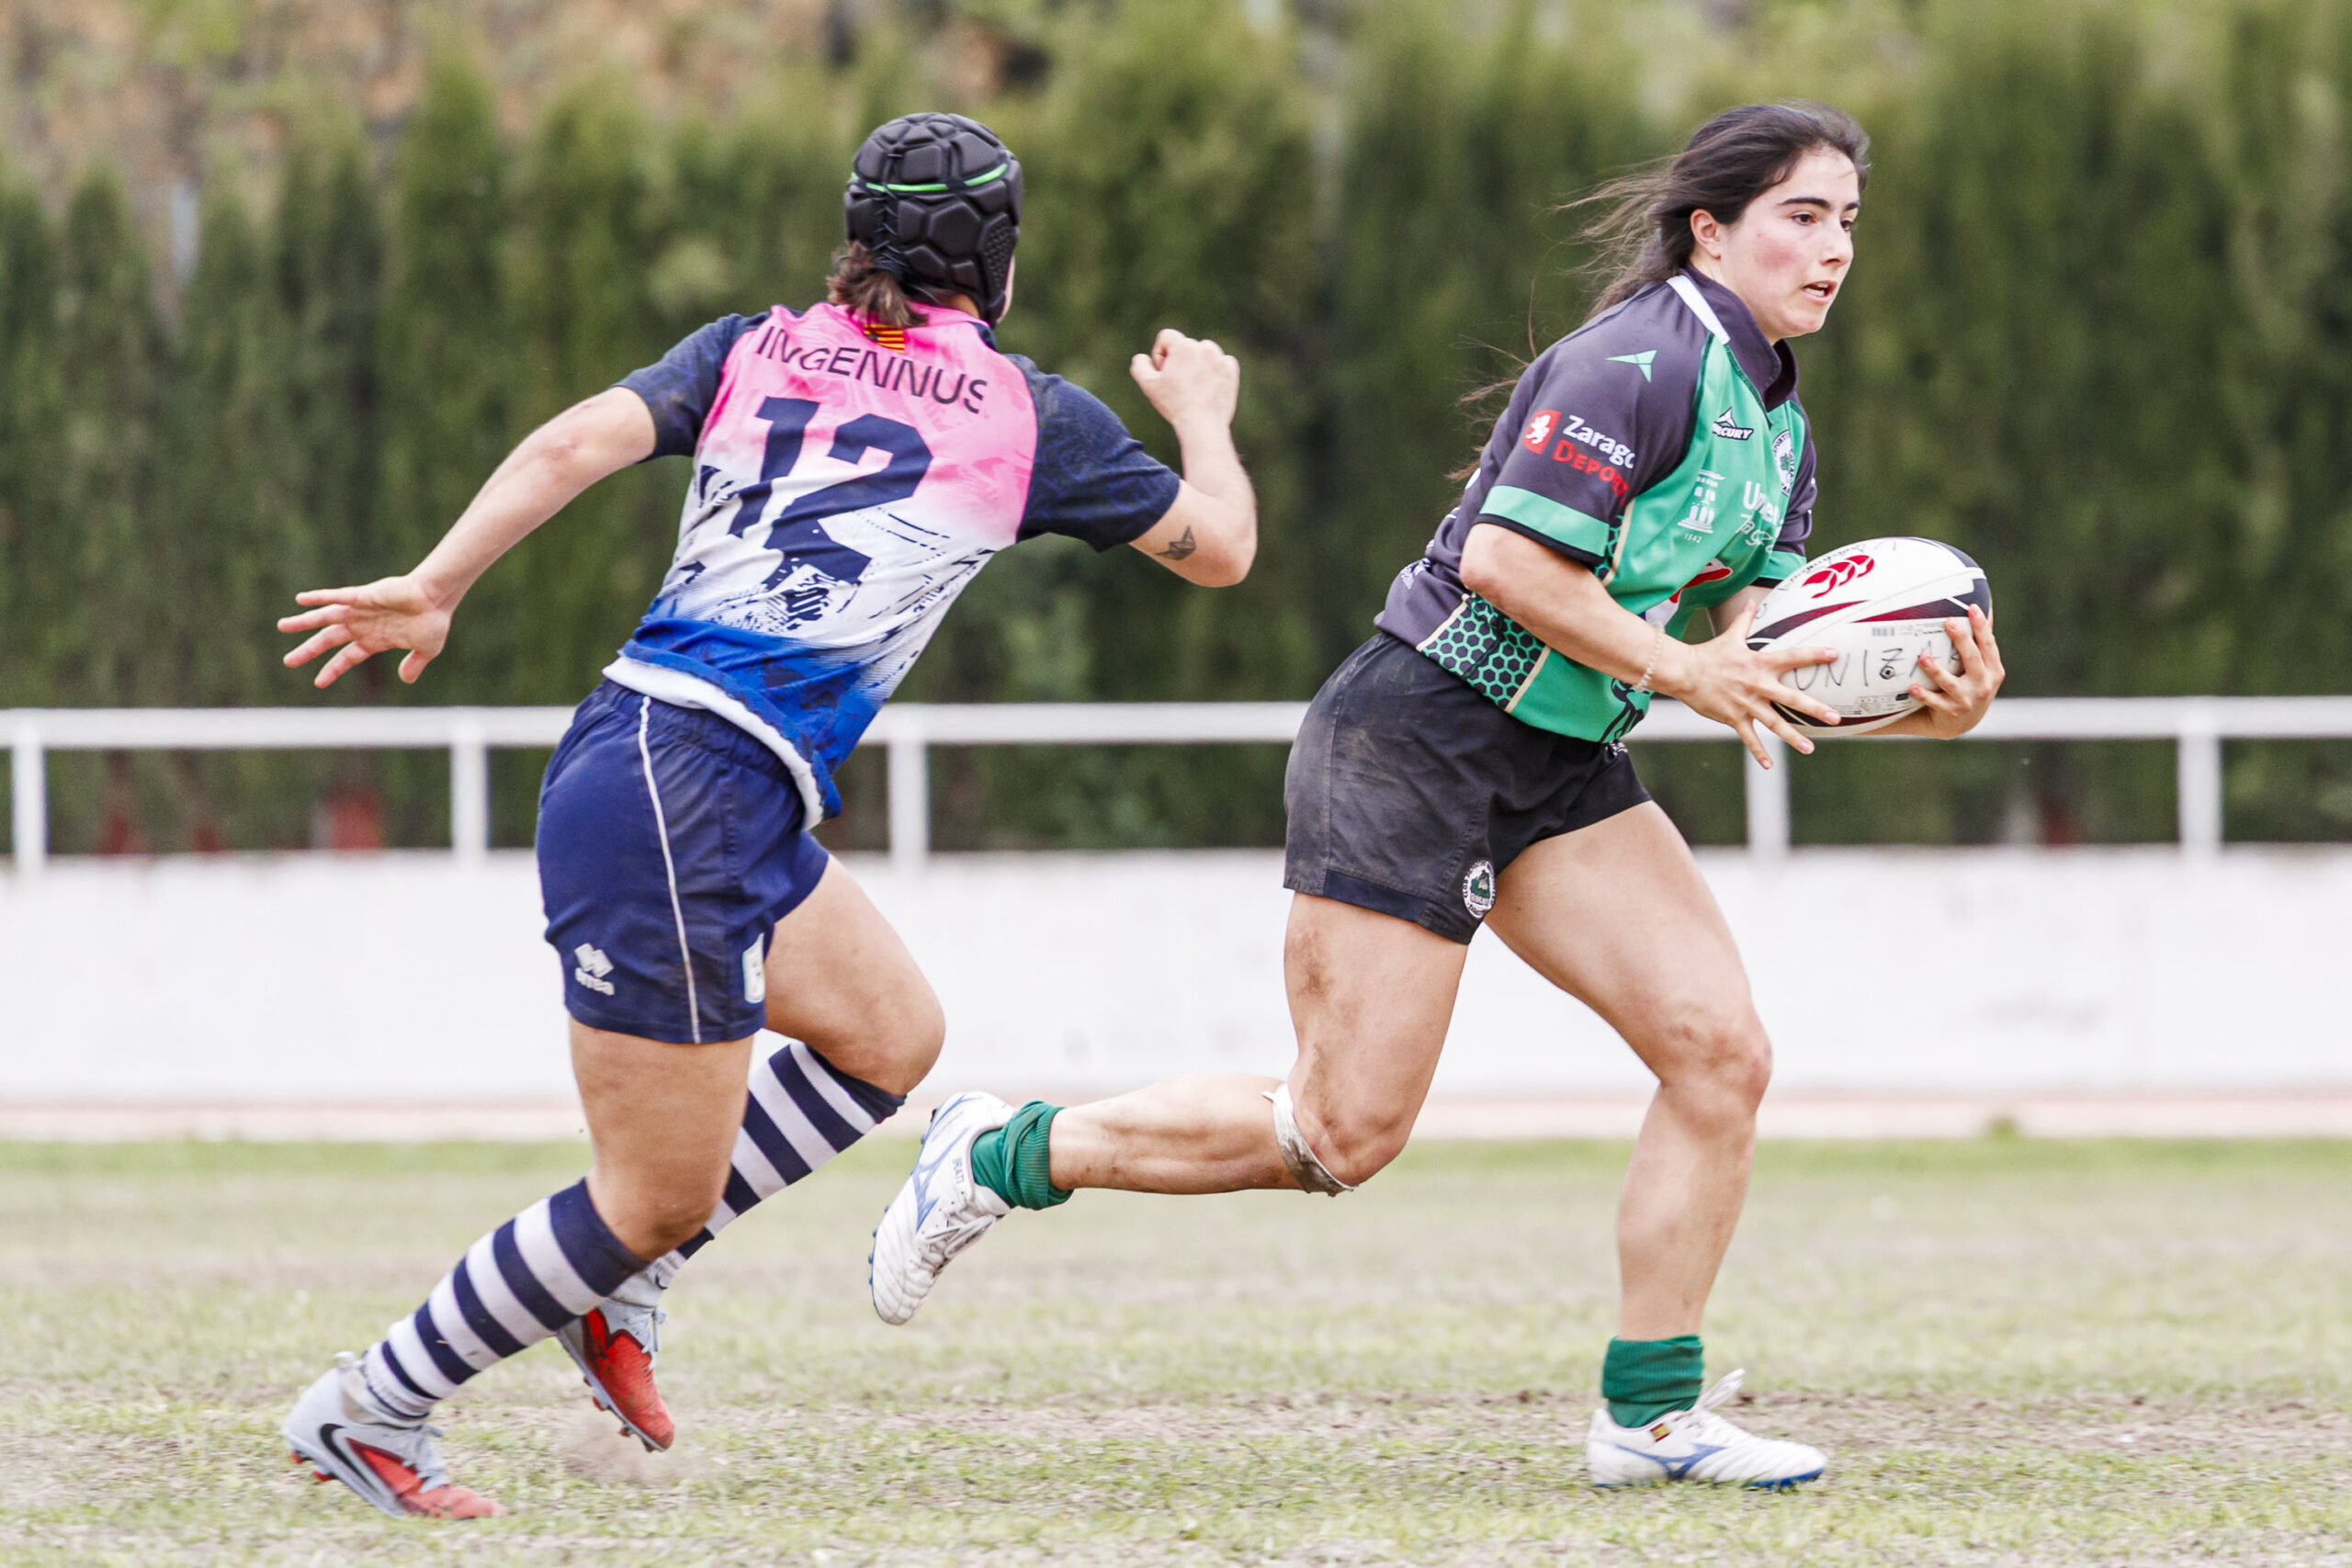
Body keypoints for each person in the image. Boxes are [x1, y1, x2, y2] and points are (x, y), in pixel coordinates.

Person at [867, 101, 2003, 1491]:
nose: (1833, 251)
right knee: (1337, 1135)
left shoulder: (1777, 424)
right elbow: (1510, 566)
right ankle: (1006, 1148)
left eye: (1847, 225)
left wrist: (1921, 703)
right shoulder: (1635, 361)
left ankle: (1649, 1419)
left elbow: (1757, 647)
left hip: (1559, 765)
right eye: (1802, 216)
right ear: (1711, 229)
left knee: (1721, 1053)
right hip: (1417, 734)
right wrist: (1680, 671)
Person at [274, 112, 1257, 1519]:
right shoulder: (1030, 417)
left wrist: (437, 582)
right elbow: (1222, 550)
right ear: (1002, 260)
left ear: (855, 238)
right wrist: (1206, 423)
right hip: (689, 782)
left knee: (890, 1038)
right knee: (647, 1190)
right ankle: (370, 1408)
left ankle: (625, 1289)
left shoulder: (754, 347)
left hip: (677, 764)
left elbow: (568, 444)